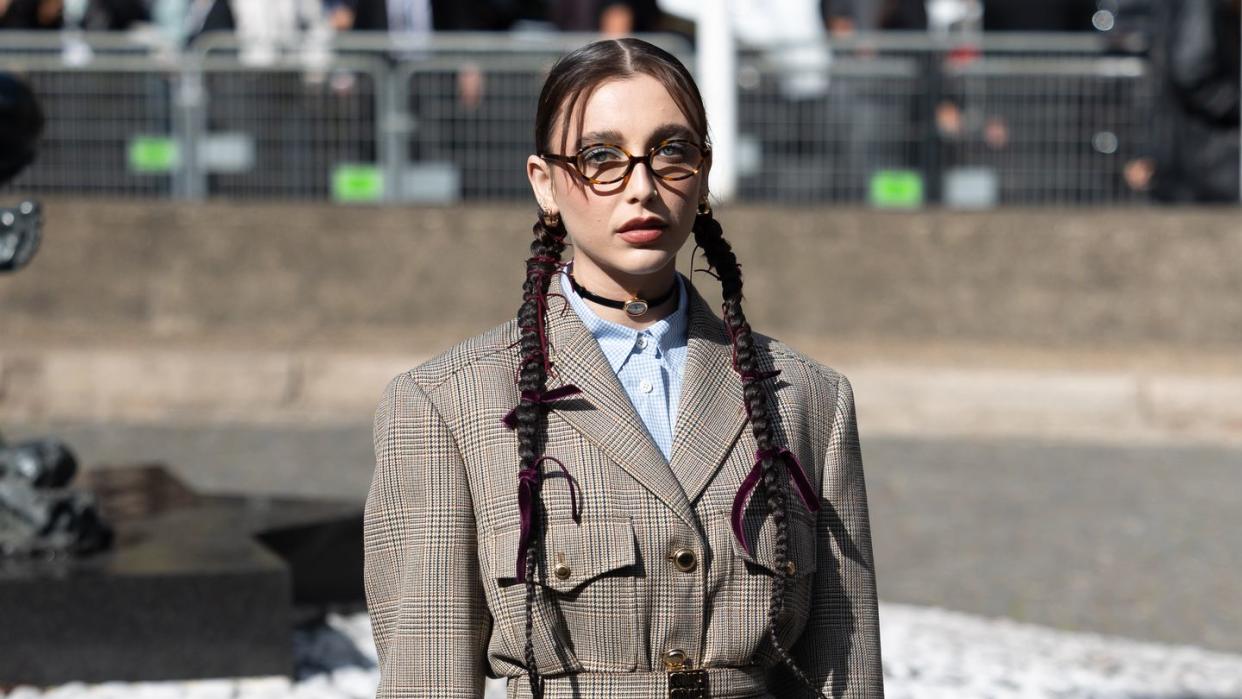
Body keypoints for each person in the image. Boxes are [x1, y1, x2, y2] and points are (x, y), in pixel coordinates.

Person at [364, 37, 883, 698]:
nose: (642, 186)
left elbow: (844, 668)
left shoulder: (808, 398)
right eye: (601, 158)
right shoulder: (445, 403)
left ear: (703, 173)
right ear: (544, 183)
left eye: (671, 151)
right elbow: (426, 674)